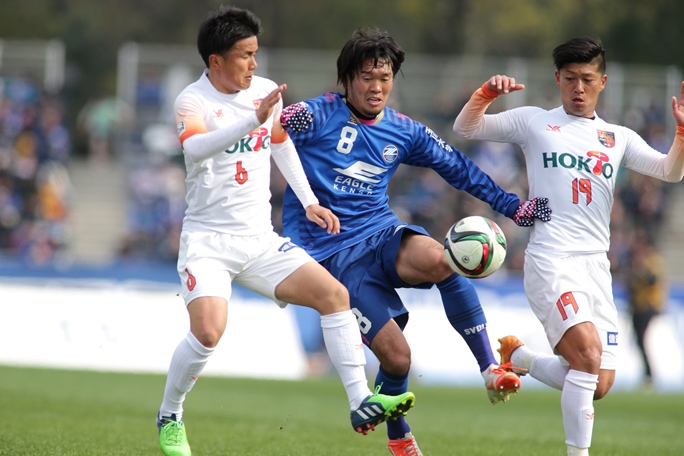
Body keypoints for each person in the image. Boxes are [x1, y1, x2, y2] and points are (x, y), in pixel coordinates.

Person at [279, 27, 551, 455]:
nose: (377, 87)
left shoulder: (403, 130)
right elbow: (276, 128)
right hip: (331, 258)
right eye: (367, 77)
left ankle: (488, 368)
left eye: (385, 78)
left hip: (381, 233)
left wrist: (512, 206)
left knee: (445, 259)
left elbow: (458, 167)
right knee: (398, 359)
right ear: (347, 79)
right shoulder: (319, 113)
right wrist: (283, 117)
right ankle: (399, 436)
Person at [156, 8, 416, 456]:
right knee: (208, 333)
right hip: (208, 242)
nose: (254, 64)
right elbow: (195, 149)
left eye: (255, 53)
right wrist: (251, 120)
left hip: (259, 240)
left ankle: (360, 401)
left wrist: (310, 201)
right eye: (245, 55)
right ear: (216, 60)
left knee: (334, 295)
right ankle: (170, 415)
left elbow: (280, 143)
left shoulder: (263, 92)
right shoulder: (193, 101)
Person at [453, 36, 684, 455]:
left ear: (603, 82)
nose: (579, 88)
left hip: (596, 268)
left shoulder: (617, 137)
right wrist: (486, 94)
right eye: (571, 78)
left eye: (588, 79)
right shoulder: (535, 122)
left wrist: (681, 133)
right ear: (558, 78)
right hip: (551, 260)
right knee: (588, 357)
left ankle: (520, 358)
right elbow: (465, 127)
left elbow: (670, 171)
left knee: (600, 383)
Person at [625, 232, 666, 389]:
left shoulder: (652, 261)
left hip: (647, 307)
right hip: (637, 306)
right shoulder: (636, 262)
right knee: (639, 341)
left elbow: (652, 280)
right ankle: (647, 375)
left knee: (642, 340)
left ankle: (649, 376)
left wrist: (640, 267)